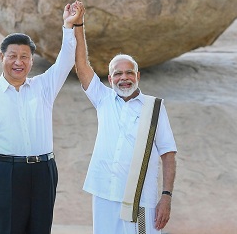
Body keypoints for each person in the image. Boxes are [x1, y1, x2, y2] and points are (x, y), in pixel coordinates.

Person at [0, 0, 85, 234]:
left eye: (25, 56)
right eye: (12, 56)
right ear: (1, 57)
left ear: (32, 60)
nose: (18, 62)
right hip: (4, 172)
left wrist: (68, 26)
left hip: (44, 171)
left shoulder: (44, 86)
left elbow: (65, 60)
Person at [74, 17, 177, 233]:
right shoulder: (103, 99)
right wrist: (78, 25)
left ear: (138, 76)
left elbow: (168, 153)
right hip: (104, 193)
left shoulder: (154, 107)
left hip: (140, 198)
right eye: (118, 73)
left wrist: (166, 197)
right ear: (110, 79)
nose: (124, 78)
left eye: (129, 72)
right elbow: (82, 65)